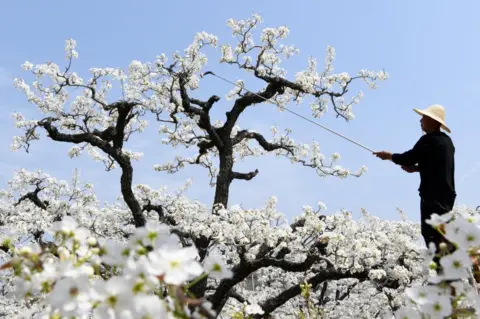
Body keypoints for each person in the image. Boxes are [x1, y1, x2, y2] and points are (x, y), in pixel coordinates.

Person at [373, 104, 456, 268]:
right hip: (447, 195)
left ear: (432, 120)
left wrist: (389, 156)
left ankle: (447, 270)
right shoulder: (447, 142)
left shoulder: (428, 140)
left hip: (432, 196)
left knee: (430, 234)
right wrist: (418, 168)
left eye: (424, 117)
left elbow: (408, 157)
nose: (420, 120)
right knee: (442, 232)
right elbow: (437, 164)